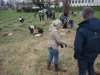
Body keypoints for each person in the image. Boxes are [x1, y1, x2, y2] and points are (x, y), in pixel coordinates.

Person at [74, 7, 100, 75]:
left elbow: (77, 47)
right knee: (91, 67)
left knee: (82, 71)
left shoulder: (81, 30)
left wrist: (77, 56)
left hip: (84, 57)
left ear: (83, 16)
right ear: (92, 15)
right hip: (94, 53)